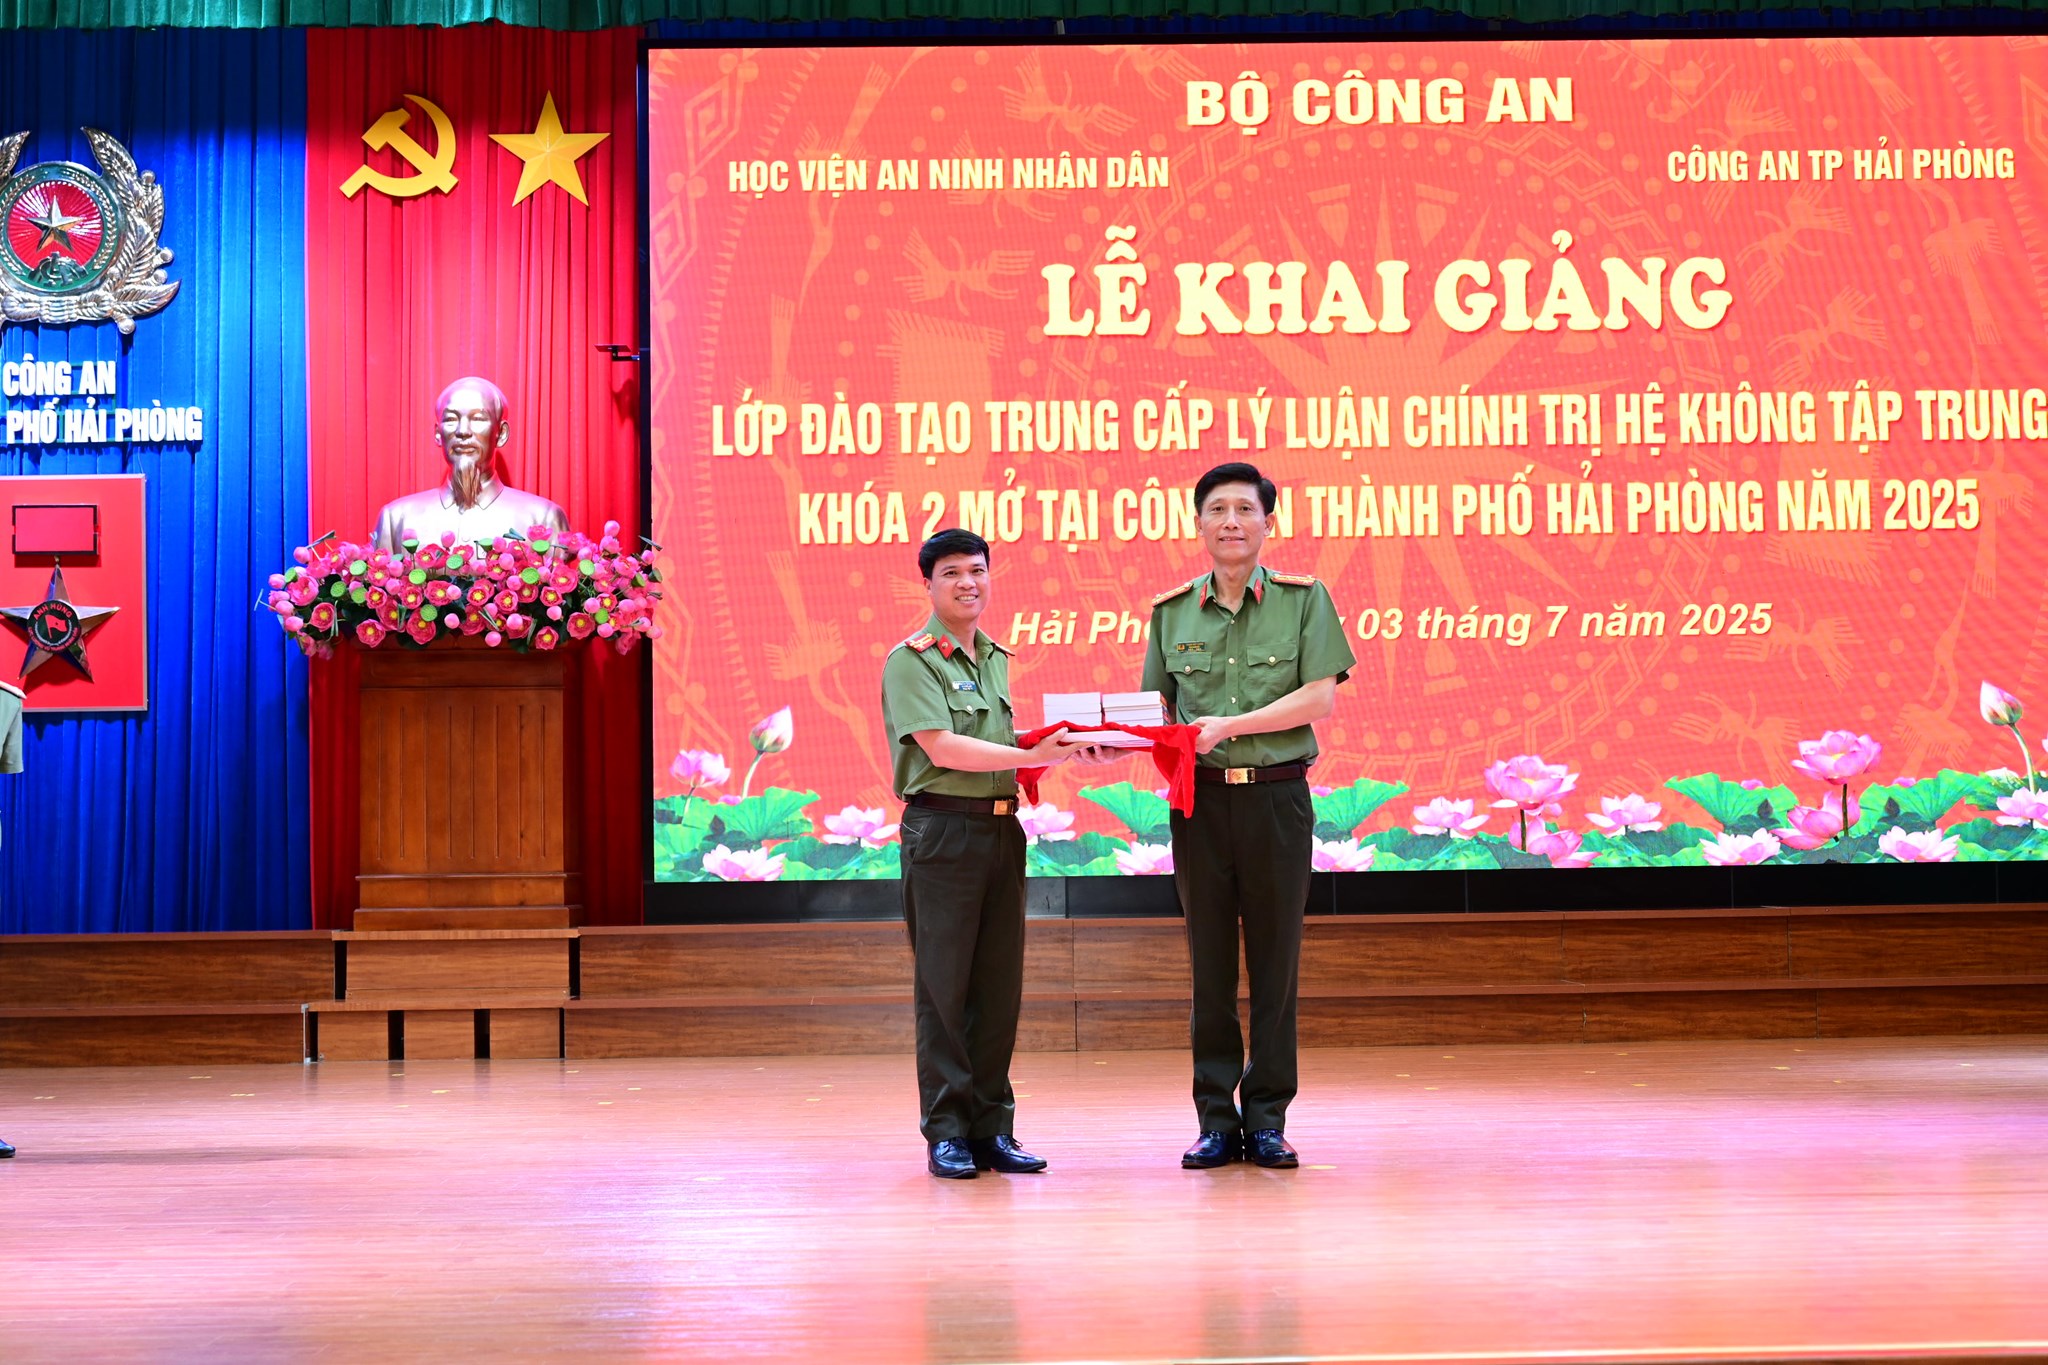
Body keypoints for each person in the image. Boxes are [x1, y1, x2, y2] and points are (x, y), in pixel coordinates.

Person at [1143, 462, 1356, 1170]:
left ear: (1269, 521)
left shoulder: (1304, 600)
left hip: (1276, 799)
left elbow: (1318, 697)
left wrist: (1230, 726)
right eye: (1216, 509)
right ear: (1198, 523)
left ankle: (1266, 1119)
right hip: (1200, 805)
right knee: (1208, 967)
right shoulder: (1171, 612)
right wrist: (1106, 742)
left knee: (1274, 966)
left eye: (1244, 508)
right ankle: (1215, 1119)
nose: (1230, 521)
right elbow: (1158, 715)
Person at [882, 528, 1081, 1179]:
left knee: (997, 989)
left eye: (977, 570)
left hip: (1001, 831)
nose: (967, 583)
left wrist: (1060, 744)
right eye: (951, 573)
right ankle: (947, 1132)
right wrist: (1030, 755)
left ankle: (992, 1128)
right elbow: (941, 746)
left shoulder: (993, 655)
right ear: (929, 585)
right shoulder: (912, 660)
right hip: (943, 833)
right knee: (945, 988)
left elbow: (995, 741)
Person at [371, 376, 568, 551]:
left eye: (478, 419)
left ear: (501, 434)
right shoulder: (396, 520)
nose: (462, 431)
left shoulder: (543, 519)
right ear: (438, 434)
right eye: (450, 419)